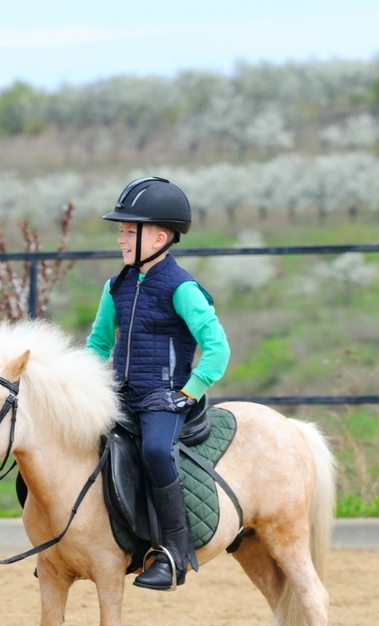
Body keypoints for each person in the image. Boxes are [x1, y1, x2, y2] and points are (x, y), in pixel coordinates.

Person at [86, 177, 231, 591]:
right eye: (120, 231)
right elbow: (98, 343)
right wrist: (84, 388)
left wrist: (188, 391)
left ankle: (174, 553)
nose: (120, 239)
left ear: (159, 238)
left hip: (165, 397)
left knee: (154, 449)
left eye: (128, 232)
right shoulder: (116, 286)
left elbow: (217, 348)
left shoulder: (183, 288)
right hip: (121, 395)